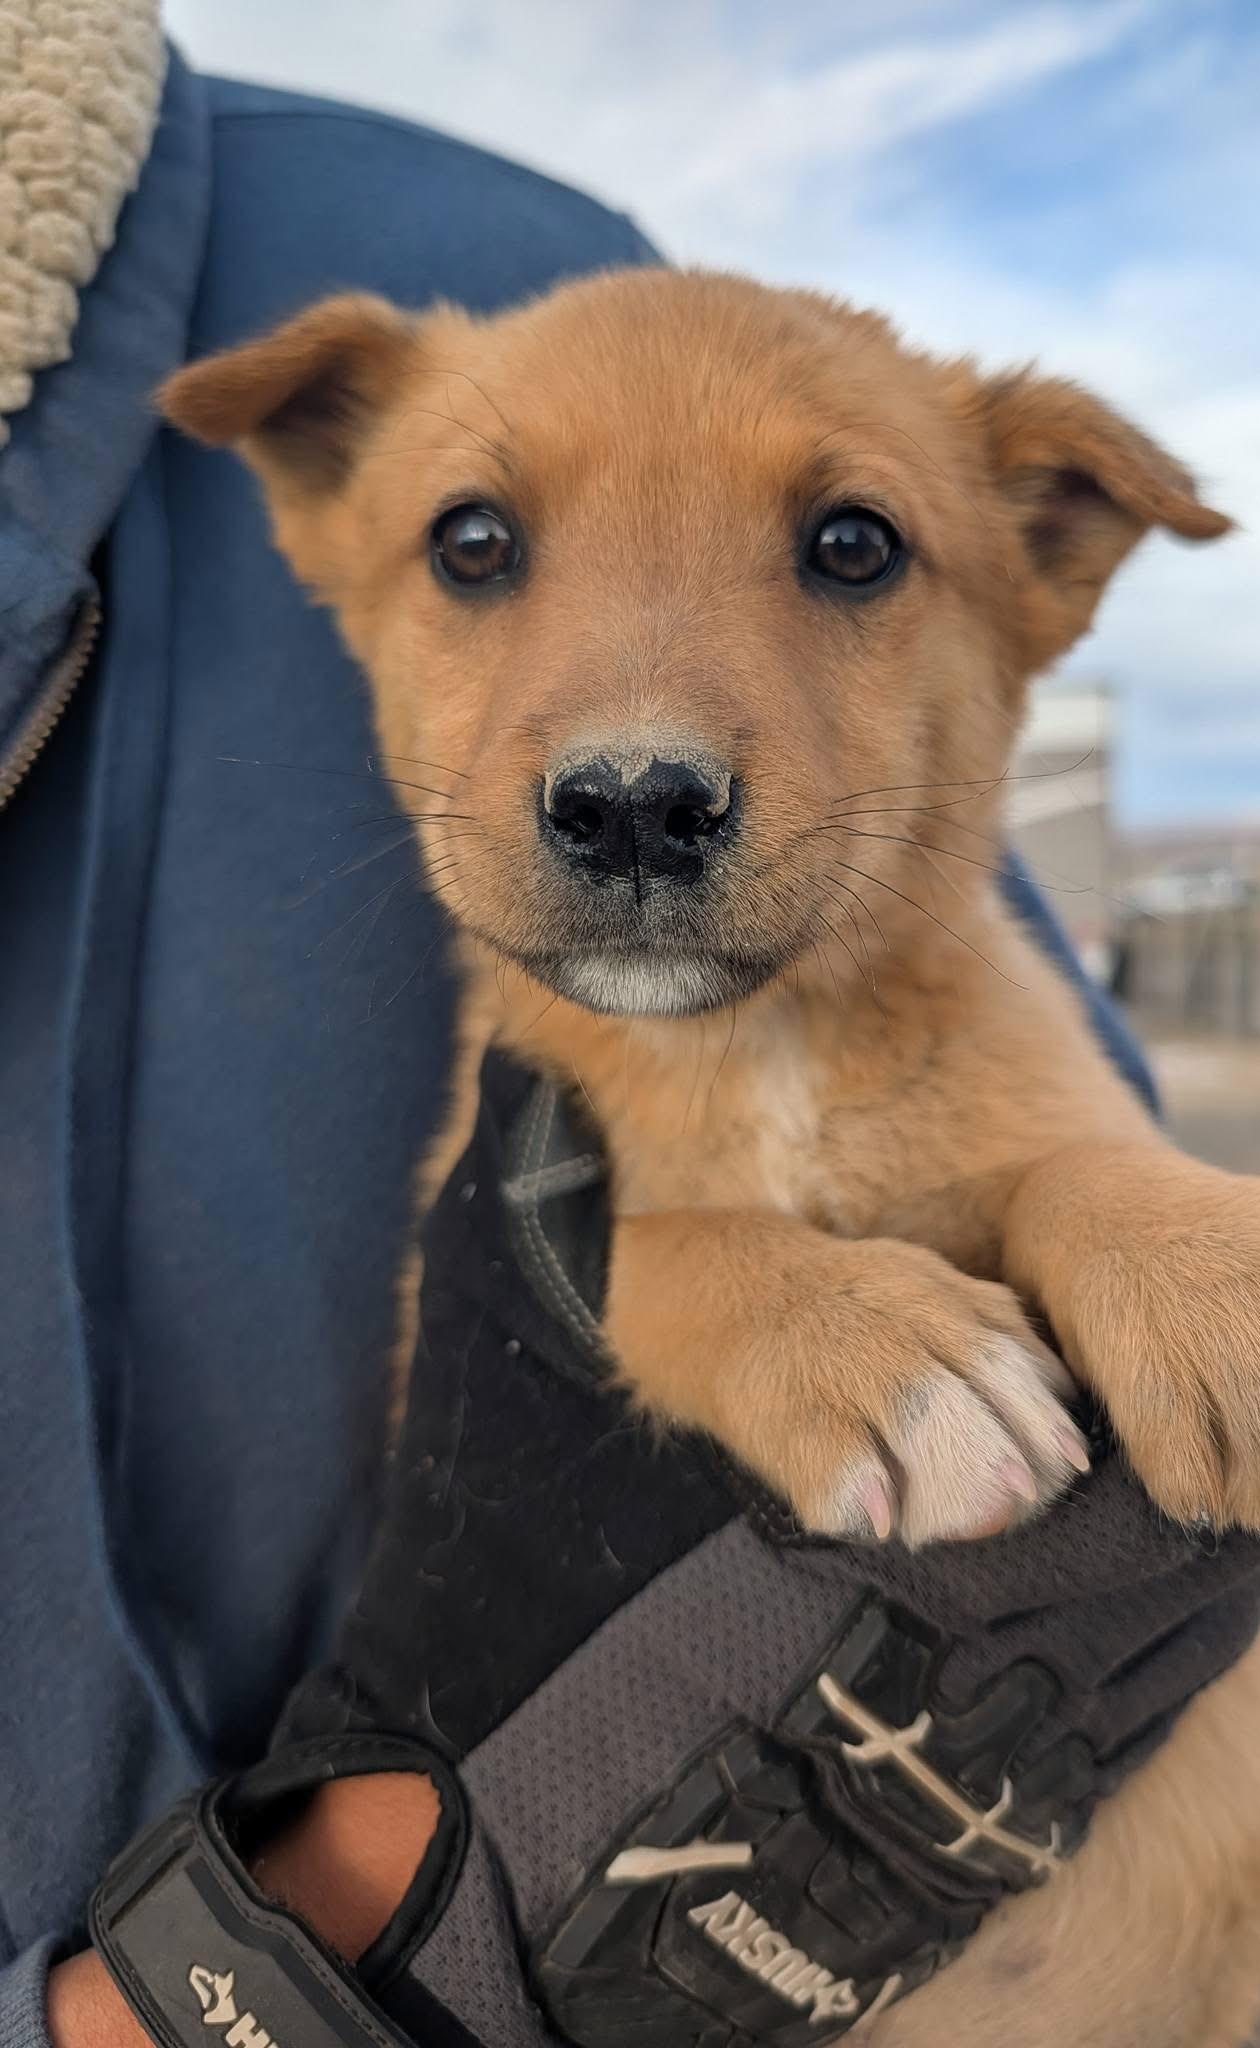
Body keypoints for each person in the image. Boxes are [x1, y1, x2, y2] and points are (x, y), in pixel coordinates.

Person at [0, 9, 1196, 2047]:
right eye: (483, 546)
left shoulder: (489, 254)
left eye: (842, 548)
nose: (634, 759)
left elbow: (1013, 1138)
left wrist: (1141, 1231)